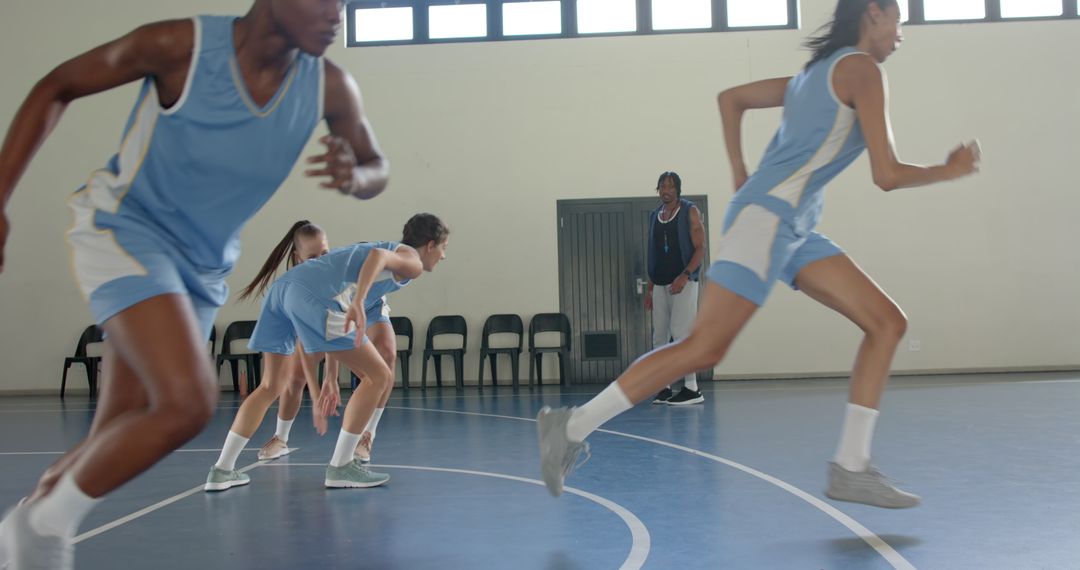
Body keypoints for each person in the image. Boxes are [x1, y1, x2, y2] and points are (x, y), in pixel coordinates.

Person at [538, 0, 980, 509]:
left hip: (792, 226)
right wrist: (950, 170)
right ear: (874, 13)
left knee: (886, 322)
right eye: (899, 18)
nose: (902, 33)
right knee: (704, 348)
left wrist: (739, 171)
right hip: (771, 220)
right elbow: (887, 174)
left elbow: (731, 99)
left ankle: (852, 467)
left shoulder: (812, 75)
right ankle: (569, 427)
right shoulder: (862, 71)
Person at [0, 1, 388, 567]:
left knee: (114, 433)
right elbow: (57, 85)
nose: (338, 15)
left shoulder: (329, 86)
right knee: (186, 402)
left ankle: (22, 530)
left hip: (203, 268)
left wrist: (358, 175)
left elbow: (376, 165)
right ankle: (43, 528)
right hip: (126, 230)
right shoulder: (181, 47)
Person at [206, 213, 449, 491]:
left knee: (270, 385)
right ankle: (342, 466)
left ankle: (222, 470)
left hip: (282, 291)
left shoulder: (369, 254)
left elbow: (326, 335)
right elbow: (377, 257)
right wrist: (358, 301)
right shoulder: (412, 262)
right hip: (313, 298)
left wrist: (327, 380)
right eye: (443, 248)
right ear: (430, 245)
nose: (443, 256)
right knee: (380, 376)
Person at [645, 171, 706, 406]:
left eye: (670, 186)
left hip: (683, 283)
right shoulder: (654, 215)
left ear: (678, 189)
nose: (666, 191)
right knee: (659, 337)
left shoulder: (690, 211)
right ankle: (664, 386)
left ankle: (692, 388)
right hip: (660, 283)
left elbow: (700, 248)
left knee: (681, 333)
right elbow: (656, 253)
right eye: (662, 187)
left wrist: (686, 275)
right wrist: (650, 287)